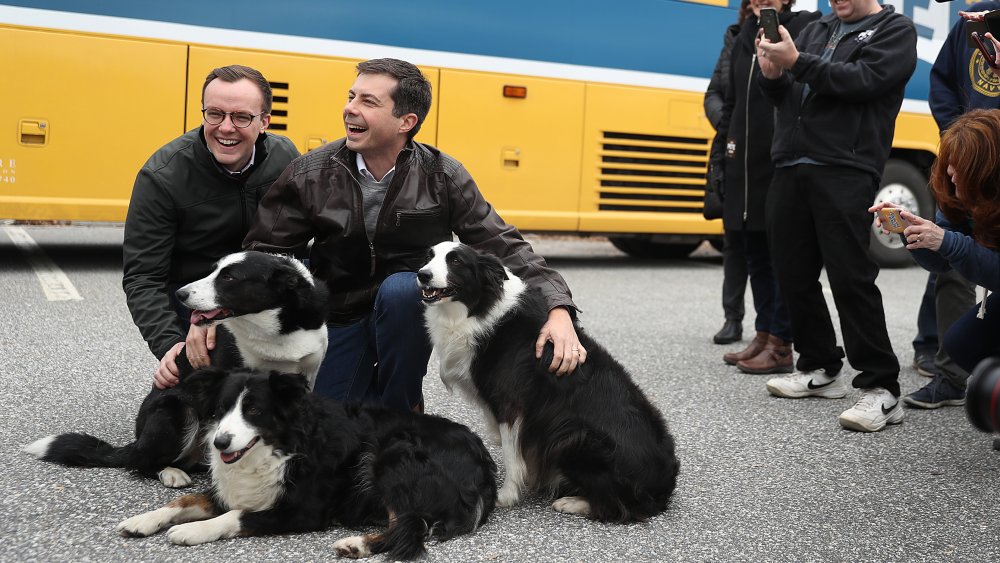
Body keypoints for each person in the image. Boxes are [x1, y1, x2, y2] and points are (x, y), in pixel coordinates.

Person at [243, 58, 585, 412]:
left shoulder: (442, 175)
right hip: (341, 313)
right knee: (333, 421)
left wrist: (558, 307)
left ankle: (403, 412)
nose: (349, 109)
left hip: (407, 309)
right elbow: (266, 251)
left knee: (401, 291)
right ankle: (369, 401)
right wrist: (225, 313)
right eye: (351, 96)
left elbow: (503, 244)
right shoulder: (310, 172)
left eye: (368, 102)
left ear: (406, 122)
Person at [754, 0, 917, 432]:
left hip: (846, 167)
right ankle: (820, 366)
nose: (836, 0)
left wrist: (796, 62)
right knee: (792, 272)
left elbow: (862, 81)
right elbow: (788, 93)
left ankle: (882, 388)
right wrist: (773, 76)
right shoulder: (815, 28)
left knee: (850, 277)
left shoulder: (894, 30)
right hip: (791, 162)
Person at [123, 65, 300, 390]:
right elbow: (143, 277)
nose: (226, 128)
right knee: (189, 406)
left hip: (257, 290)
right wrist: (171, 346)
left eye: (241, 117)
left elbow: (297, 244)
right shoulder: (162, 177)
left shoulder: (285, 157)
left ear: (264, 123)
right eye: (215, 114)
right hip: (192, 299)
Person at [898, 4, 998, 407]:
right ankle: (952, 377)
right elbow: (941, 83)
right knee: (960, 336)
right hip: (973, 151)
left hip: (989, 159)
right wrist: (921, 238)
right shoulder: (971, 22)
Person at [714, 0, 819, 374]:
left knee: (779, 257)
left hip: (776, 157)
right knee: (754, 250)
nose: (761, 0)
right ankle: (762, 333)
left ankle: (781, 343)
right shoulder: (743, 36)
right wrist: (720, 156)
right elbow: (731, 102)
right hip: (742, 161)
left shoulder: (803, 27)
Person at [871, 109, 1000, 396]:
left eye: (959, 168)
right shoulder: (954, 191)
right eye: (949, 166)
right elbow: (941, 264)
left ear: (987, 170)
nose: (951, 174)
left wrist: (949, 241)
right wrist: (911, 232)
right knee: (961, 343)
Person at [705, 0, 751, 345]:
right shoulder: (734, 36)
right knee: (733, 241)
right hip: (733, 148)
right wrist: (731, 124)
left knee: (766, 247)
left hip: (767, 153)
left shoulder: (795, 33)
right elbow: (714, 93)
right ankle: (731, 318)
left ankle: (771, 329)